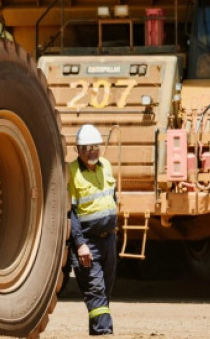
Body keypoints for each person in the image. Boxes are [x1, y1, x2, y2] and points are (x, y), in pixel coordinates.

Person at [67, 124, 118, 335]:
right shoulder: (71, 172)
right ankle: (105, 333)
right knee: (96, 292)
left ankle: (97, 332)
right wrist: (80, 245)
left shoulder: (106, 165)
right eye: (86, 148)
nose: (92, 152)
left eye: (95, 147)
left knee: (103, 295)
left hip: (109, 242)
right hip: (88, 244)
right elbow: (71, 213)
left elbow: (111, 197)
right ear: (78, 150)